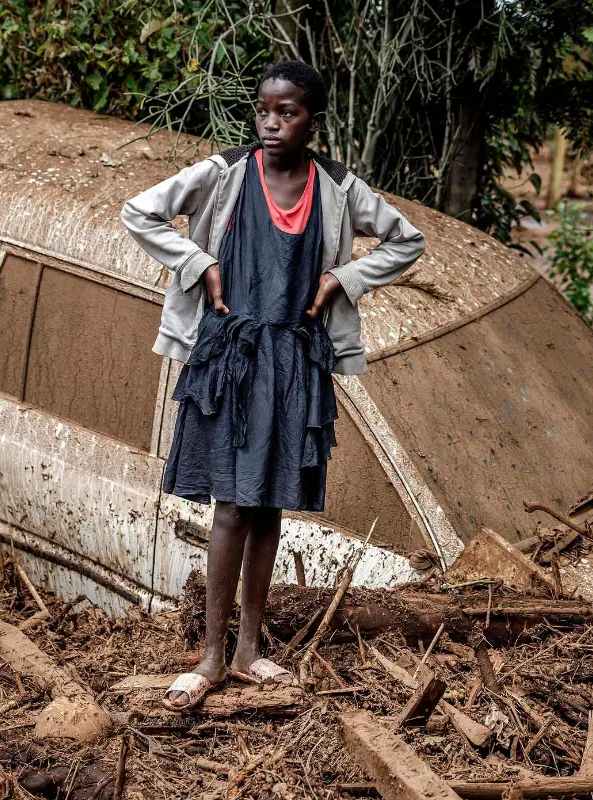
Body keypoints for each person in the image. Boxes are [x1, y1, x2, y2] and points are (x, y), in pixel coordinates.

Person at [121, 60, 425, 710]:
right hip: (231, 361)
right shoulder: (225, 173)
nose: (270, 123)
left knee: (268, 510)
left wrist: (343, 279)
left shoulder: (338, 188)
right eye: (264, 110)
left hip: (295, 365)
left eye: (286, 113)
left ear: (314, 119)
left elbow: (408, 240)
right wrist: (199, 262)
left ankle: (250, 650)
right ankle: (209, 657)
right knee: (231, 506)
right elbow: (140, 212)